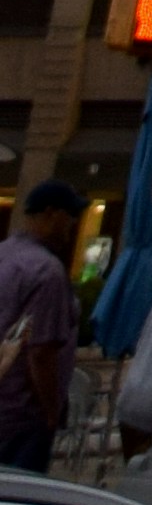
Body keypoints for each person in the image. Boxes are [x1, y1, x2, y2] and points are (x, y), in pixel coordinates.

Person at [0, 180, 79, 473]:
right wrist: (50, 411)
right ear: (52, 214)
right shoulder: (48, 272)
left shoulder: (4, 254)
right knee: (20, 500)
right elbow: (41, 353)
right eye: (70, 216)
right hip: (22, 415)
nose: (73, 224)